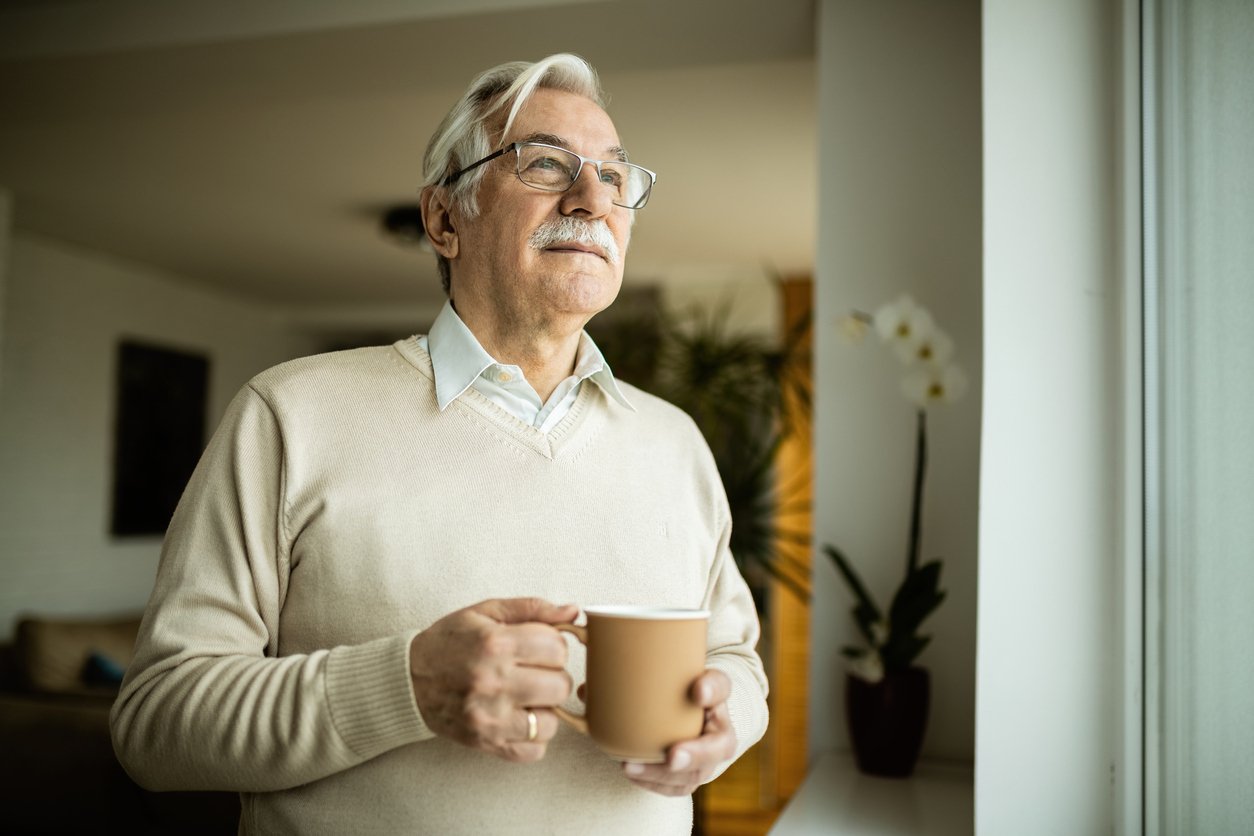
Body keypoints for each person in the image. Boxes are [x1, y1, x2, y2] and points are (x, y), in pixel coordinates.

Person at [110, 53, 768, 835]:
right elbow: (155, 726)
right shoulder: (289, 414)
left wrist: (732, 722)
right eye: (547, 164)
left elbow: (737, 662)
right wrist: (405, 689)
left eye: (616, 177)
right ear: (444, 220)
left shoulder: (676, 444)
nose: (594, 198)